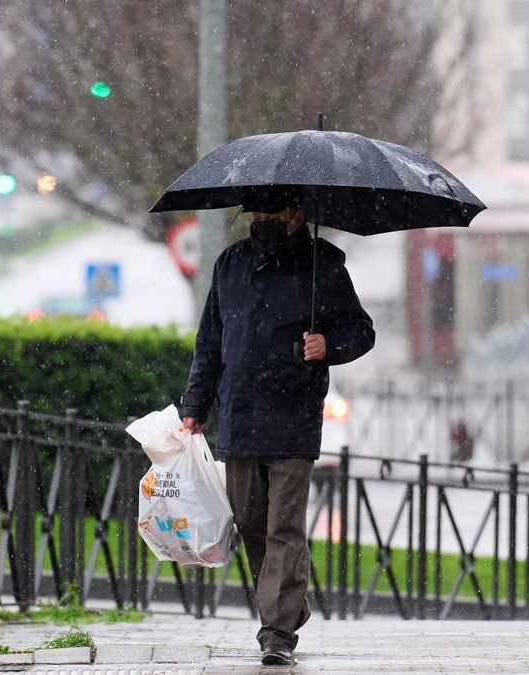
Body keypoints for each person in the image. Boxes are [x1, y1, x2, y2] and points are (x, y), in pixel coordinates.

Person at [180, 200, 375, 666]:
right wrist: (195, 405)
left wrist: (330, 344)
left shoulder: (322, 266)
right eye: (256, 214)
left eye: (272, 214)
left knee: (284, 526)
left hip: (294, 415)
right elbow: (210, 340)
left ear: (297, 215)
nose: (262, 222)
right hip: (239, 415)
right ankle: (290, 604)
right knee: (250, 522)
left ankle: (277, 631)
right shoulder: (230, 264)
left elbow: (362, 330)